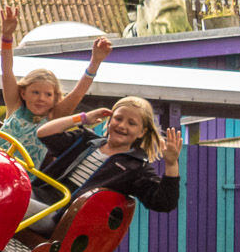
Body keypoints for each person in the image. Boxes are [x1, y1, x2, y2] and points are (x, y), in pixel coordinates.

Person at [24, 96, 182, 235]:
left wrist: (171, 163)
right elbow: (44, 133)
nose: (122, 125)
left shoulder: (136, 168)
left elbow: (164, 202)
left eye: (131, 123)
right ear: (110, 120)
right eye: (118, 118)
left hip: (62, 217)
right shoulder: (86, 141)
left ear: (142, 132)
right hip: (42, 196)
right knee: (7, 189)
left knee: (11, 201)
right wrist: (83, 118)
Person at [0, 5, 112, 166]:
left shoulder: (53, 117)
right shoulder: (15, 105)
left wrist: (95, 62)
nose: (41, 99)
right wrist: (6, 37)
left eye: (48, 94)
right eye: (35, 92)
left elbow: (77, 93)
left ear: (55, 97)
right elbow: (6, 70)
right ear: (23, 93)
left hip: (23, 180)